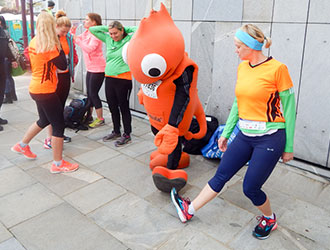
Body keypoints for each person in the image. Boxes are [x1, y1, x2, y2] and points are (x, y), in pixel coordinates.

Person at [171, 24, 296, 240]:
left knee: (251, 188)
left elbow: (290, 110)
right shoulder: (243, 67)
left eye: (238, 46)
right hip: (245, 135)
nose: (235, 50)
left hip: (270, 137)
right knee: (221, 174)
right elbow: (238, 104)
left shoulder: (278, 69)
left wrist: (289, 147)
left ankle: (269, 218)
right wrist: (226, 133)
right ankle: (188, 210)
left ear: (251, 46)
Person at [11, 12, 79, 173]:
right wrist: (60, 44)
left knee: (43, 120)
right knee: (58, 125)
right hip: (46, 90)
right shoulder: (50, 45)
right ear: (50, 25)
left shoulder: (35, 41)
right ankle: (57, 163)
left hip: (35, 87)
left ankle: (21, 145)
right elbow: (63, 65)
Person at [89, 21, 137, 146]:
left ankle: (127, 134)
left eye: (116, 33)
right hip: (109, 78)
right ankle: (116, 131)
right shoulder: (108, 39)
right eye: (111, 33)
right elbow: (93, 29)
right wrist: (109, 28)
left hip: (124, 79)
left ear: (122, 31)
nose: (113, 36)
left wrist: (124, 28)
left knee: (123, 106)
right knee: (112, 106)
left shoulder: (129, 39)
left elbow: (140, 29)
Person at [43, 10, 78, 149]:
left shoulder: (68, 37)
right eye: (62, 32)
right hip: (53, 77)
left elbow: (72, 53)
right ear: (55, 27)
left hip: (65, 75)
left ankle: (58, 134)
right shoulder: (50, 38)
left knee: (61, 105)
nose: (64, 34)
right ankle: (49, 138)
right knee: (53, 108)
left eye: (66, 32)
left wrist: (73, 63)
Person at [72, 13, 106, 129]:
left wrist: (78, 40)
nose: (84, 21)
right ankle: (89, 116)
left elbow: (89, 49)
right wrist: (73, 31)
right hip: (90, 68)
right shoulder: (87, 32)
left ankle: (100, 119)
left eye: (87, 20)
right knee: (89, 94)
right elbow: (77, 39)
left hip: (98, 69)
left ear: (94, 22)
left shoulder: (97, 35)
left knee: (93, 94)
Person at [0, 16, 17, 131]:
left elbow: (6, 47)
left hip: (1, 65)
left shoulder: (2, 32)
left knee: (1, 92)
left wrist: (12, 59)